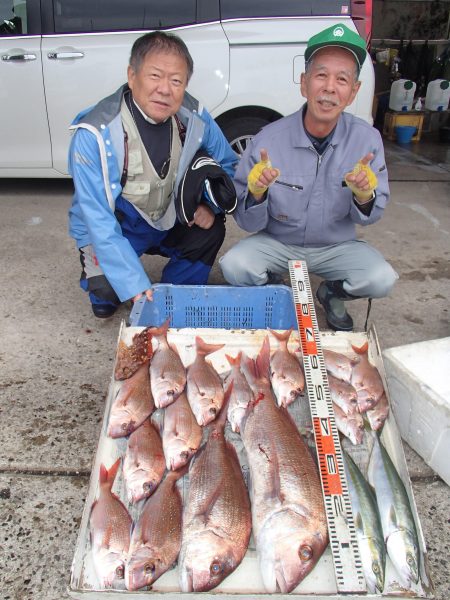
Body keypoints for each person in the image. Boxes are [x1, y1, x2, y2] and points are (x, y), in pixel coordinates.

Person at [219, 23, 398, 331]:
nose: (330, 87)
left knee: (381, 278)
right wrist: (257, 193)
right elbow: (247, 223)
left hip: (336, 247)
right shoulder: (267, 141)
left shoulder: (366, 141)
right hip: (279, 243)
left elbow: (371, 217)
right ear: (304, 84)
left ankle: (331, 292)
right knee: (235, 267)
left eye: (342, 79)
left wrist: (365, 195)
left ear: (353, 91)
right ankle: (276, 288)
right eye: (321, 75)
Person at [68, 31, 237, 318]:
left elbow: (228, 164)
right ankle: (111, 281)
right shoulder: (93, 133)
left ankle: (173, 295)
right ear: (132, 76)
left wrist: (209, 205)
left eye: (176, 81)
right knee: (107, 296)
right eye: (155, 76)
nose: (165, 89)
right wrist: (133, 285)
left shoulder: (195, 116)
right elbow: (98, 218)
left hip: (170, 214)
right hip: (119, 223)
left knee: (212, 229)